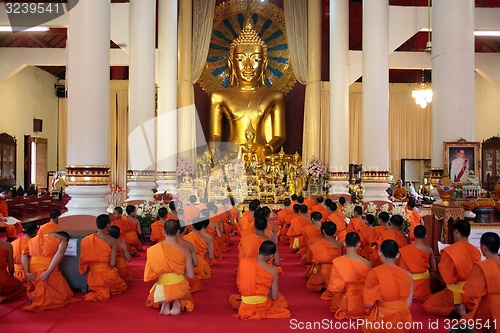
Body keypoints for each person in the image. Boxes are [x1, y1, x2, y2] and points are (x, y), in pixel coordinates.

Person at [208, 15, 286, 160]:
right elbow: (215, 135)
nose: (248, 66)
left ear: (264, 63)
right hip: (231, 157)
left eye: (256, 59)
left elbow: (279, 136)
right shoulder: (218, 97)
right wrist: (212, 151)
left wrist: (265, 149)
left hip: (262, 157)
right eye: (241, 59)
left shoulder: (275, 96)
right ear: (231, 63)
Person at [423, 220, 481, 317]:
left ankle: (456, 309)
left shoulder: (449, 251)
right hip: (472, 294)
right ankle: (468, 307)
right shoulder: (476, 251)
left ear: (457, 232)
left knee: (427, 306)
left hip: (455, 294)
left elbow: (447, 278)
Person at [144, 219, 194, 316]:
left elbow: (151, 272)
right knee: (180, 288)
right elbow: (191, 275)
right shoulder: (185, 250)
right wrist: (181, 271)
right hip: (180, 286)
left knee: (161, 291)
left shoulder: (154, 250)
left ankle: (166, 302)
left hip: (162, 287)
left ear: (164, 231)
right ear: (178, 231)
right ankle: (176, 302)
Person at [229, 240, 290, 320]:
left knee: (232, 298)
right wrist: (266, 291)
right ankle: (257, 310)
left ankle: (245, 307)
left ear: (258, 250)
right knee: (281, 302)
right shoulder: (273, 271)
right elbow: (274, 297)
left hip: (246, 303)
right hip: (262, 304)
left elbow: (240, 284)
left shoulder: (243, 262)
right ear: (272, 256)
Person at [363, 239, 413, 333]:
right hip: (403, 322)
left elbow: (368, 304)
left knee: (366, 326)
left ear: (380, 253)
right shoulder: (408, 275)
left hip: (382, 322)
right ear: (398, 255)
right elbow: (408, 304)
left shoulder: (374, 273)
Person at [22, 231, 76, 311]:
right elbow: (60, 252)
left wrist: (26, 272)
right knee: (62, 295)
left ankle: (35, 296)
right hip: (47, 268)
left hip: (33, 270)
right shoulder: (63, 239)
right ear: (66, 238)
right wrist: (48, 272)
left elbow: (24, 254)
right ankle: (40, 299)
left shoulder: (33, 239)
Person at [79, 214, 127, 302]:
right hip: (108, 277)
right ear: (108, 225)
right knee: (122, 286)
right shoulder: (112, 240)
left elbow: (83, 260)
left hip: (93, 278)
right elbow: (112, 264)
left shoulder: (86, 240)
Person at [328, 232, 371, 320]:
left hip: (344, 303)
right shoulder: (367, 263)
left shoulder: (338, 262)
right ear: (359, 244)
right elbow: (370, 285)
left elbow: (334, 287)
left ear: (344, 243)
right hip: (362, 303)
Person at [463, 232, 500, 331]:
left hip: (489, 309)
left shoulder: (482, 267)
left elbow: (471, 294)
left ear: (484, 247)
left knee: (462, 325)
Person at [398, 225, 437, 301]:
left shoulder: (405, 250)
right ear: (426, 235)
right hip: (424, 285)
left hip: (410, 283)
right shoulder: (429, 250)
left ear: (413, 234)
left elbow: (402, 269)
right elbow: (434, 269)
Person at [305, 222, 343, 299]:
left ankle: (325, 287)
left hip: (323, 272)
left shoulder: (318, 244)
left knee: (310, 284)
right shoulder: (340, 244)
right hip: (337, 272)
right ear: (335, 231)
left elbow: (315, 262)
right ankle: (330, 285)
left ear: (323, 231)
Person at [0, 238, 26, 303]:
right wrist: (11, 276)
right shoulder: (7, 246)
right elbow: (11, 269)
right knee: (21, 287)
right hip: (4, 280)